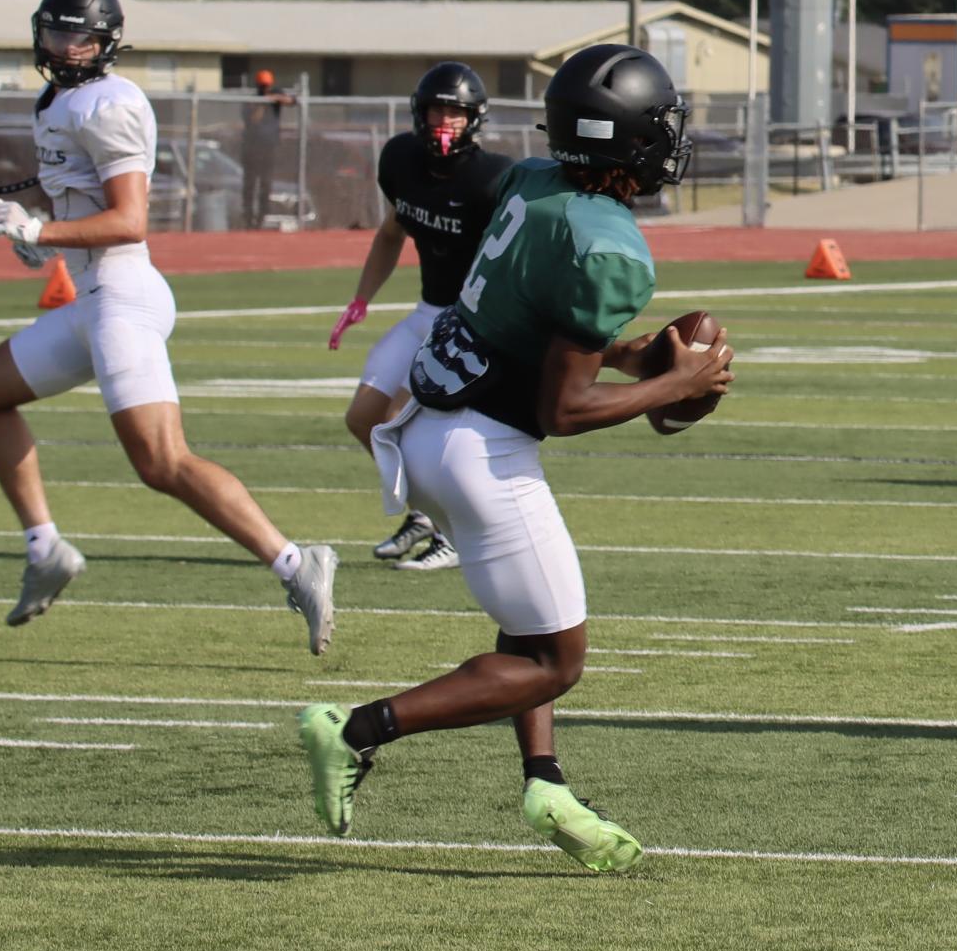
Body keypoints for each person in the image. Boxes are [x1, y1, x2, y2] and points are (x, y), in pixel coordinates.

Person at [297, 42, 733, 870]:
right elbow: (562, 408)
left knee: (525, 628)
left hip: (430, 422)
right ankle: (356, 729)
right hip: (484, 447)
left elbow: (538, 331)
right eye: (660, 124)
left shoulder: (532, 182)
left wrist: (639, 360)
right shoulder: (609, 244)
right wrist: (679, 383)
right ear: (628, 139)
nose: (669, 139)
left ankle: (546, 780)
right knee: (553, 661)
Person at [0, 0, 337, 645]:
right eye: (56, 30)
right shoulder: (56, 99)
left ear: (105, 44)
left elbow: (128, 219)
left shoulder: (108, 102)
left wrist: (39, 234)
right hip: (89, 300)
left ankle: (298, 561)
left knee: (160, 461)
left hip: (122, 295)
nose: (64, 45)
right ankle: (45, 549)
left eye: (79, 35)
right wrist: (31, 222)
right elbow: (73, 193)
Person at [327, 62, 512, 572]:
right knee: (363, 420)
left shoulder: (489, 178)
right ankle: (424, 516)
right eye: (437, 109)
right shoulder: (401, 161)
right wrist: (362, 298)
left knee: (398, 425)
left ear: (474, 119)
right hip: (427, 312)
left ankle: (452, 534)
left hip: (468, 321)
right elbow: (392, 232)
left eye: (455, 112)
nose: (444, 121)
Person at [241, 69, 294, 229]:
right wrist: (263, 102)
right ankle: (248, 217)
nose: (264, 88)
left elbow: (292, 101)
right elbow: (253, 120)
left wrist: (273, 97)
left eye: (267, 85)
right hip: (252, 149)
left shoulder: (276, 96)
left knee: (266, 184)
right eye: (262, 85)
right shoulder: (252, 101)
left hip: (269, 148)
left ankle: (262, 217)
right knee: (250, 185)